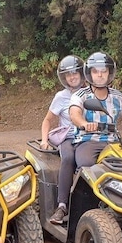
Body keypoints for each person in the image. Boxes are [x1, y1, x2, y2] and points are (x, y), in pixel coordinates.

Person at [50, 52, 122, 225]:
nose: (100, 74)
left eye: (103, 71)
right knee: (86, 165)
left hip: (112, 143)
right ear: (89, 73)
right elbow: (74, 113)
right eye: (96, 71)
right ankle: (68, 206)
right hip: (87, 140)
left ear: (109, 73)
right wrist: (84, 123)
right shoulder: (81, 95)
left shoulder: (119, 97)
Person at [40, 55, 85, 223]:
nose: (72, 77)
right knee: (68, 158)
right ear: (64, 78)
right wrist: (44, 140)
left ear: (82, 74)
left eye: (75, 73)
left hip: (88, 138)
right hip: (69, 137)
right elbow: (47, 120)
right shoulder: (61, 96)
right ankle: (62, 206)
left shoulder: (90, 93)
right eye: (68, 74)